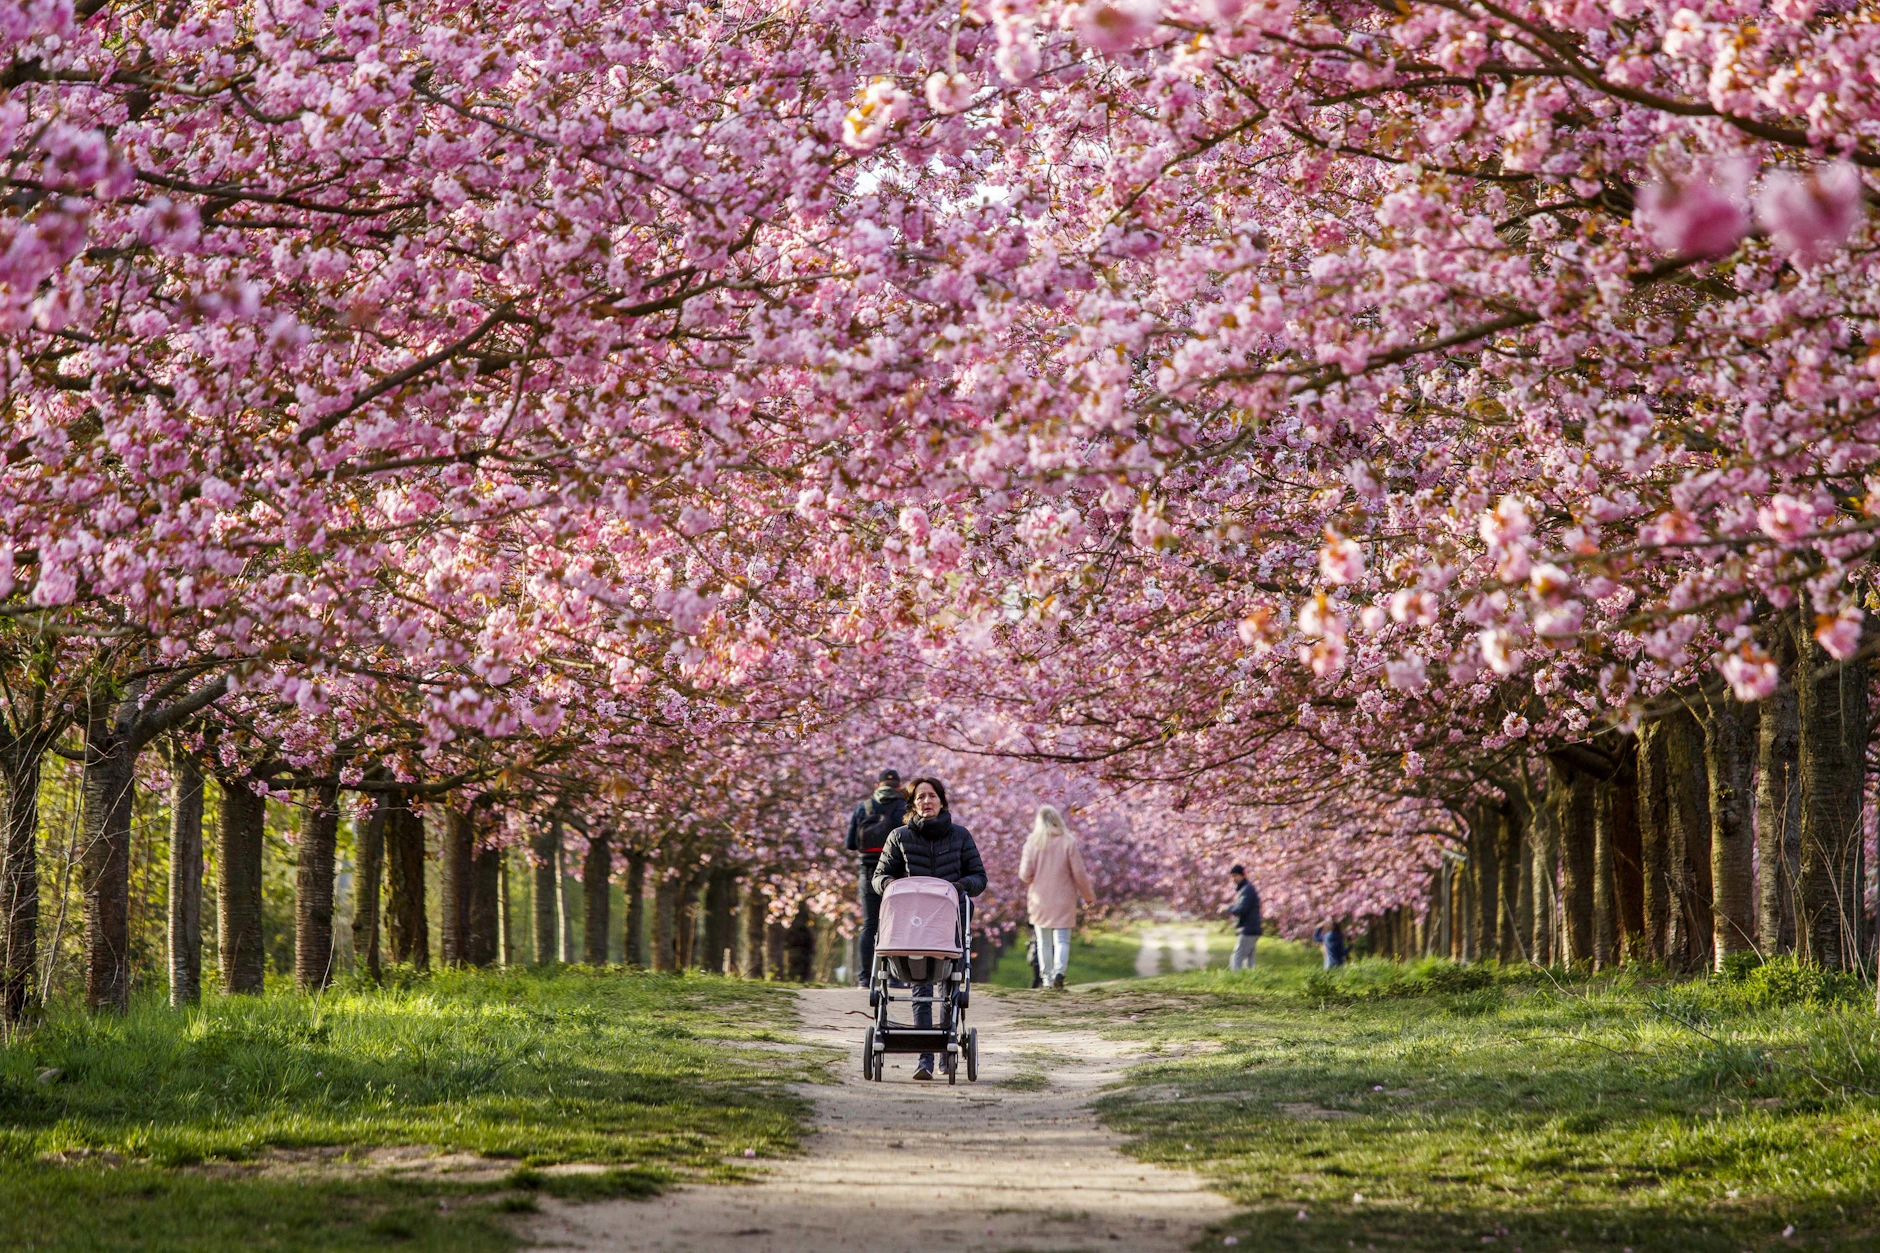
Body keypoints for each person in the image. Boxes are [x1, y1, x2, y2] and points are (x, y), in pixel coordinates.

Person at [872, 776, 987, 1081]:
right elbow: (879, 876)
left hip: (949, 920)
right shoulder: (899, 837)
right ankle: (925, 1059)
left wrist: (961, 886)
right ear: (912, 804)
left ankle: (946, 1047)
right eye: (920, 797)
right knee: (920, 985)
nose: (927, 801)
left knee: (949, 985)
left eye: (932, 796)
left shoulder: (960, 836)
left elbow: (979, 876)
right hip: (913, 922)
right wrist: (889, 884)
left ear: (942, 801)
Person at [1018, 805, 1095, 990]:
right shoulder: (1068, 841)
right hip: (1063, 899)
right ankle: (1059, 972)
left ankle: (1047, 979)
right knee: (1062, 940)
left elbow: (1025, 874)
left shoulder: (1033, 842)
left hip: (1040, 899)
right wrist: (1088, 896)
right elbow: (1079, 873)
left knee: (1043, 941)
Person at [846, 767, 905, 987]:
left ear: (877, 785)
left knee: (870, 924)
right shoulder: (904, 808)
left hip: (869, 870)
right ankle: (895, 977)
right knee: (897, 922)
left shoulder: (864, 807)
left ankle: (865, 978)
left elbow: (851, 843)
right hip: (897, 872)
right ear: (899, 787)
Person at [1227, 864, 1261, 971]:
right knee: (1249, 958)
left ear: (1243, 875)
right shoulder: (1246, 889)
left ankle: (1235, 980)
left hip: (1248, 928)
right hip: (1252, 928)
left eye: (1236, 876)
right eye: (1232, 876)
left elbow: (1242, 909)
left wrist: (1229, 908)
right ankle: (1250, 980)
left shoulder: (1247, 890)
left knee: (1237, 956)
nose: (1234, 879)